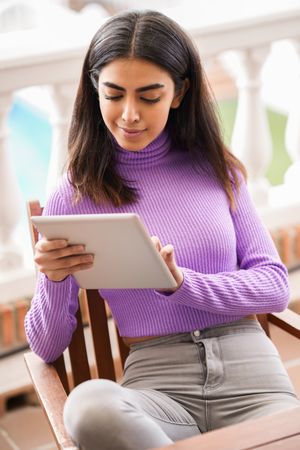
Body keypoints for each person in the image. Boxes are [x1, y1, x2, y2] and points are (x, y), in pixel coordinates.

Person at [25, 9, 299, 450]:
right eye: (114, 94)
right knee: (87, 406)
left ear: (179, 92)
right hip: (158, 390)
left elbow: (273, 287)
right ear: (95, 89)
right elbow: (47, 345)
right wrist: (52, 279)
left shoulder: (218, 171)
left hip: (252, 376)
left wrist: (183, 284)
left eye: (149, 97)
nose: (129, 115)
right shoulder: (76, 195)